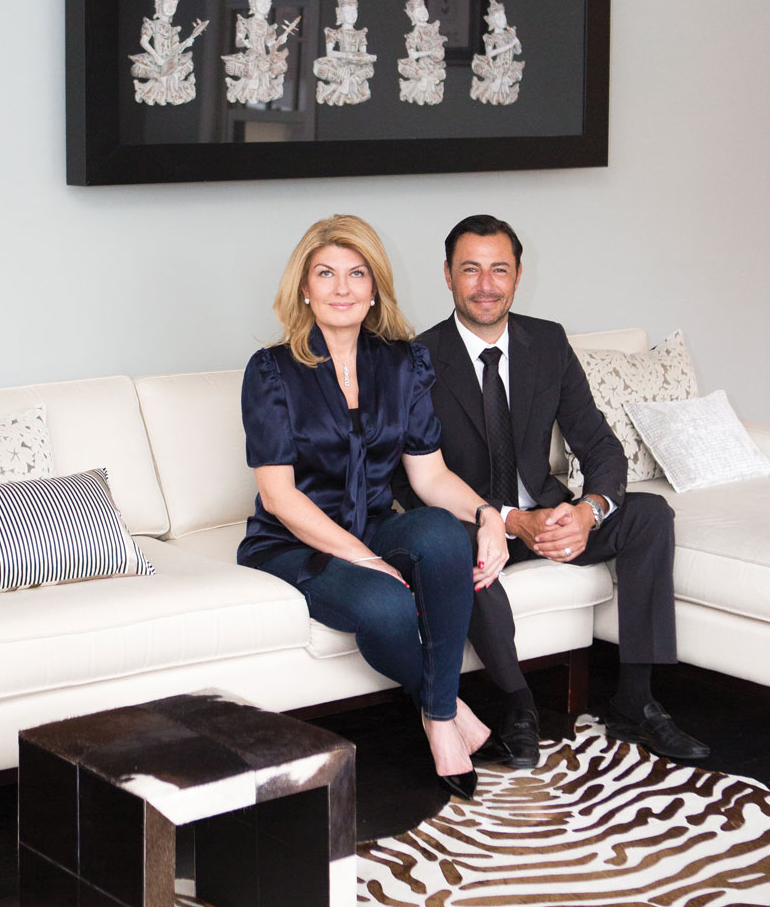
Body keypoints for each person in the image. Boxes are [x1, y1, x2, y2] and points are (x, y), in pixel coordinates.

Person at [395, 214, 709, 768]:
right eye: (470, 269)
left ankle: (635, 700)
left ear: (518, 275)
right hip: (475, 523)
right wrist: (510, 520)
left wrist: (588, 510)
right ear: (447, 275)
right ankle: (519, 707)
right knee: (457, 554)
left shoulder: (547, 341)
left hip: (551, 510)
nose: (486, 284)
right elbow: (411, 478)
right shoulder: (419, 360)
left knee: (650, 514)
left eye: (499, 269)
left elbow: (599, 444)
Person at [237, 214, 513, 799]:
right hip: (292, 543)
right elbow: (278, 496)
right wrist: (364, 558)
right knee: (386, 605)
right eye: (326, 274)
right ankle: (444, 708)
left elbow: (430, 475)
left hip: (373, 523)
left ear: (374, 287)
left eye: (356, 273)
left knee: (441, 532)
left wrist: (489, 516)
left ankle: (437, 719)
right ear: (304, 287)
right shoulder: (271, 371)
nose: (342, 288)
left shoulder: (402, 363)